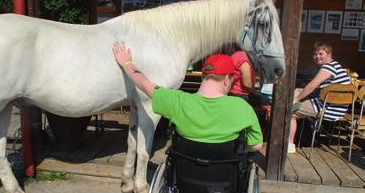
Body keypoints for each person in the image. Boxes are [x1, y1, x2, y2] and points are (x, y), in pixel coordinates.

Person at [112, 41, 263, 151]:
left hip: (186, 178)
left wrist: (126, 63)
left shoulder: (177, 101)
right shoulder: (242, 108)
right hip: (224, 181)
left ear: (203, 75)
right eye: (232, 80)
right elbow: (256, 145)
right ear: (226, 79)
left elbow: (144, 84)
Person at [288, 41, 351, 153]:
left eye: (320, 53)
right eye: (315, 54)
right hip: (339, 108)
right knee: (299, 91)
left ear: (329, 53)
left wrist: (296, 100)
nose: (317, 57)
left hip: (329, 109)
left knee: (291, 112)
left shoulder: (328, 67)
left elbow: (313, 85)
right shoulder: (337, 66)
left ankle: (289, 145)